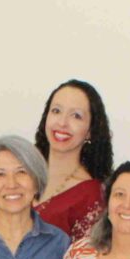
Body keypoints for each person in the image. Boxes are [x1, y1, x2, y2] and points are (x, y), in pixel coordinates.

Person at [32, 79, 113, 237]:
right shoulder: (18, 173)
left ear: (90, 131)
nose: (62, 123)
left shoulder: (91, 196)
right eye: (56, 111)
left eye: (76, 116)